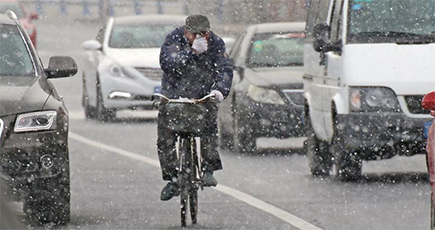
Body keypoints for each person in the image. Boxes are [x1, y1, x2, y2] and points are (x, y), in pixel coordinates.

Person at [157, 15, 233, 201]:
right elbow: (167, 64)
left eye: (204, 33)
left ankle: (208, 169)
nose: (200, 38)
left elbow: (224, 69)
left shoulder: (216, 43)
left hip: (202, 95)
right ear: (186, 31)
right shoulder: (174, 38)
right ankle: (173, 179)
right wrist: (191, 52)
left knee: (208, 128)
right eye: (194, 34)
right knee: (165, 137)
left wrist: (219, 90)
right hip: (175, 96)